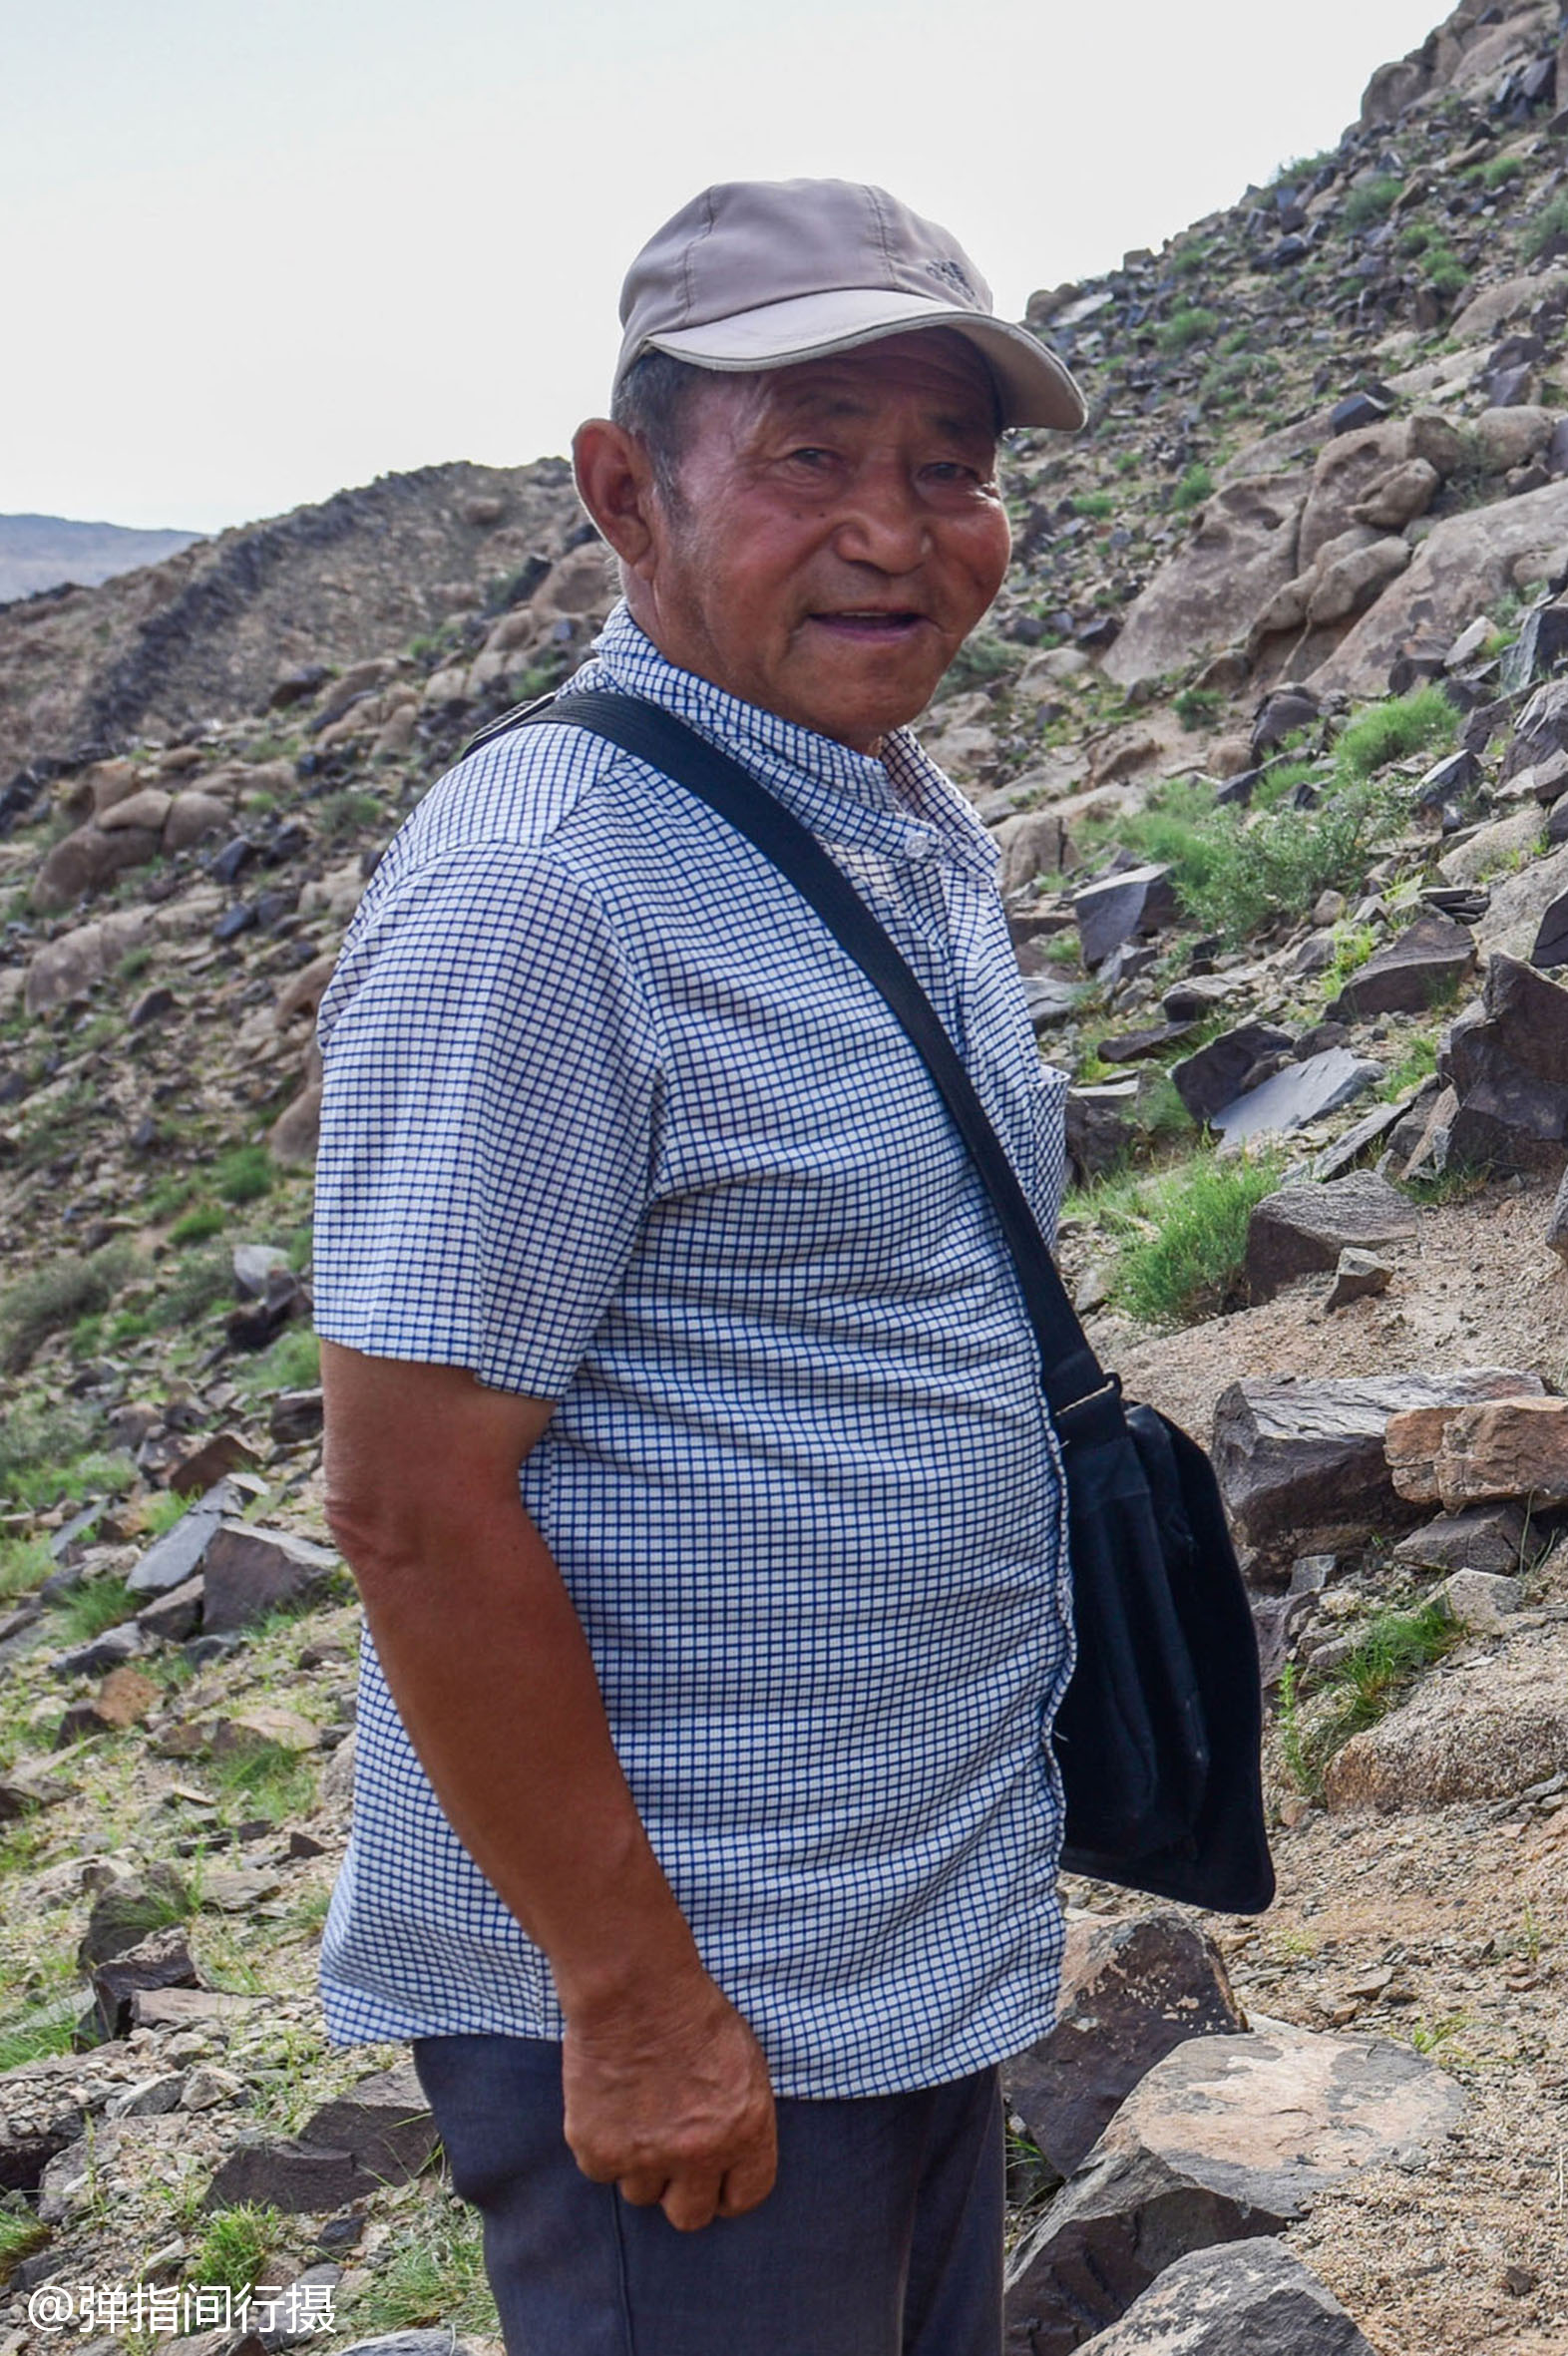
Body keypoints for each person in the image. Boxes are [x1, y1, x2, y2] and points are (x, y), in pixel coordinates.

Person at [310, 179, 1089, 2356]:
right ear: (624, 493)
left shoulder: (886, 812)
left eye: (950, 468)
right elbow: (404, 1502)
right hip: (697, 1990)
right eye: (814, 456)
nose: (898, 528)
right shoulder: (545, 886)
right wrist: (635, 1995)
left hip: (891, 1935)